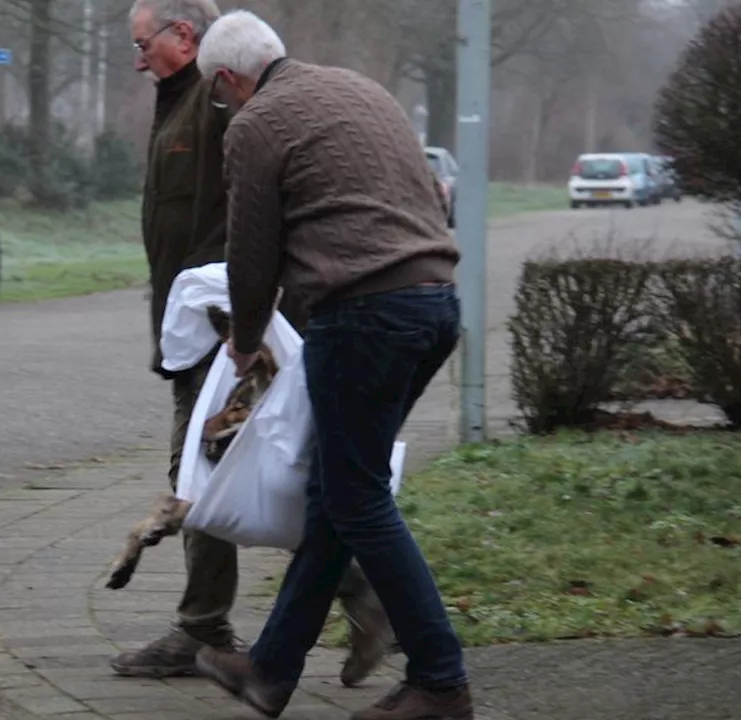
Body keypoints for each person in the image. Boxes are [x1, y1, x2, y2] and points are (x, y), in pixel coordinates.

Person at [190, 11, 472, 720]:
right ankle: (271, 669)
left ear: (228, 79)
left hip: (366, 316)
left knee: (357, 499)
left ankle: (440, 680)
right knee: (336, 492)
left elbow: (252, 252)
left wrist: (244, 341)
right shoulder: (358, 89)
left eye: (219, 95)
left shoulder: (255, 125)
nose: (226, 107)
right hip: (435, 303)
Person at [112, 0, 395, 686]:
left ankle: (220, 624)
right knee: (237, 476)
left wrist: (245, 323)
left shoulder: (219, 103)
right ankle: (351, 594)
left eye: (144, 42)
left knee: (206, 477)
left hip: (231, 330)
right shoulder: (179, 101)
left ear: (186, 36)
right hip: (201, 327)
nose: (137, 56)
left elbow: (260, 206)